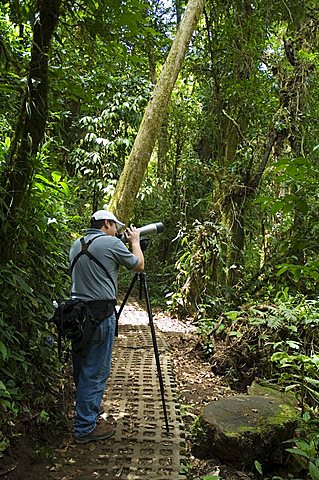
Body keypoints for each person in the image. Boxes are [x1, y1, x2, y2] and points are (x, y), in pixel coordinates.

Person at [69, 209, 144, 444]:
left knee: (82, 367)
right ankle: (84, 427)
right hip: (100, 316)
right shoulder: (111, 243)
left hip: (76, 316)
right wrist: (135, 241)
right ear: (107, 224)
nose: (118, 231)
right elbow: (138, 265)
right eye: (116, 226)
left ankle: (87, 412)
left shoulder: (76, 244)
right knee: (97, 370)